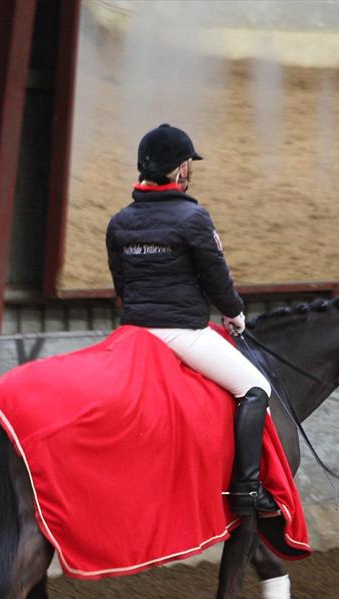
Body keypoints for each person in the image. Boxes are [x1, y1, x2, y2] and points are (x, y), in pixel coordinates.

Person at [106, 123, 278, 518]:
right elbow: (217, 279)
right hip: (182, 332)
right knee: (255, 385)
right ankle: (248, 489)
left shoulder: (119, 223)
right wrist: (234, 314)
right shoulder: (193, 218)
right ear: (179, 170)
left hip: (133, 332)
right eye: (187, 164)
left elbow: (122, 286)